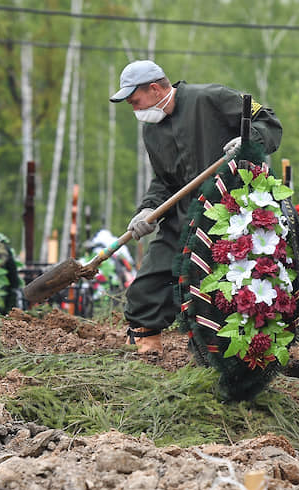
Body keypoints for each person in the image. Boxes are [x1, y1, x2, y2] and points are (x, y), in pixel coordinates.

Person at [110, 60, 283, 354]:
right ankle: (146, 343)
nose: (134, 109)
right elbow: (165, 181)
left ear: (154, 89)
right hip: (185, 217)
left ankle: (225, 350)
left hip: (232, 212)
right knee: (147, 284)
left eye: (135, 101)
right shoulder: (152, 131)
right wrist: (147, 210)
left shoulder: (210, 97)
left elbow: (269, 121)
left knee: (221, 289)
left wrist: (247, 139)